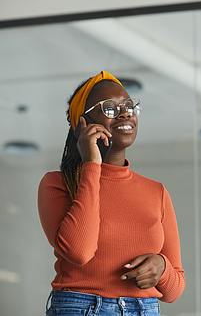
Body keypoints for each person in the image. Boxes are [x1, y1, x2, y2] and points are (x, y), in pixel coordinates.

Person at [38, 71, 185, 316]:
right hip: (80, 307)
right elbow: (79, 251)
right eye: (109, 108)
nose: (125, 112)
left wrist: (162, 266)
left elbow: (174, 290)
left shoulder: (156, 192)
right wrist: (91, 165)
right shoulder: (58, 184)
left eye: (129, 106)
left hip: (144, 309)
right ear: (82, 123)